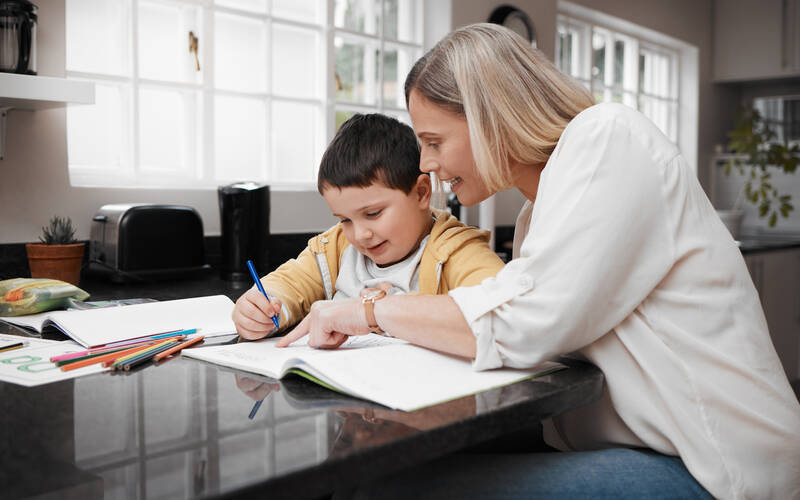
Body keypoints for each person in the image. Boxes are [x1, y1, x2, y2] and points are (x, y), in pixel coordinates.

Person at [276, 24, 800, 498]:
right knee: (376, 464)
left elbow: (522, 322)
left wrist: (366, 312)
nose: (428, 166)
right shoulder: (536, 214)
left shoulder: (609, 139)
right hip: (626, 443)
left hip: (716, 470)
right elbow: (527, 321)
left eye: (434, 142)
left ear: (491, 116)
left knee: (386, 485)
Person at [233, 113, 504, 340]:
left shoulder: (456, 249)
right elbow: (290, 283)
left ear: (421, 193)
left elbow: (502, 312)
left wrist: (382, 310)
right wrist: (261, 308)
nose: (360, 234)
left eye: (373, 213)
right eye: (345, 219)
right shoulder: (336, 247)